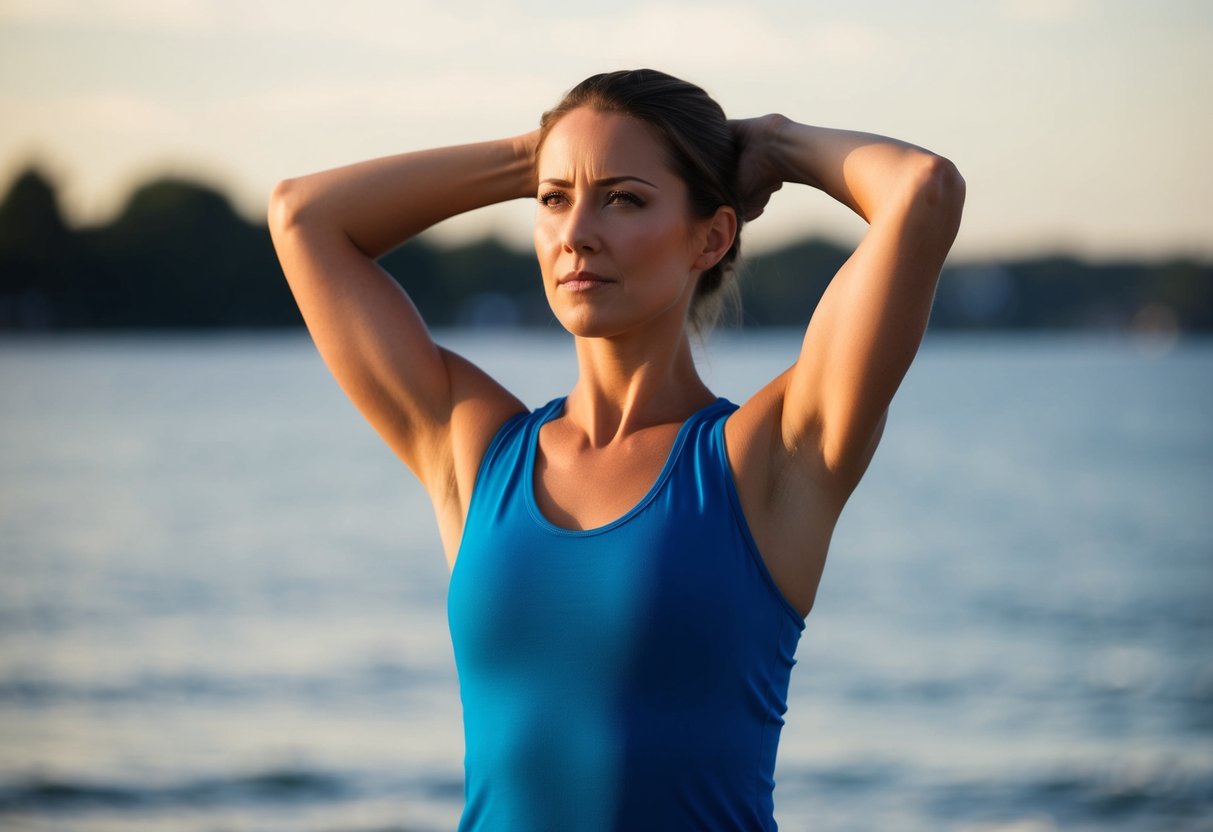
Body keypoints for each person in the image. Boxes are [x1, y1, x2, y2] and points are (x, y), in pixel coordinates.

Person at [268, 68, 964, 831]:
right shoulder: (472, 451)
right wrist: (537, 153)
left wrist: (771, 144)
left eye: (624, 199)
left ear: (712, 235)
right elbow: (303, 215)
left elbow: (920, 190)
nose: (575, 234)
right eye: (554, 200)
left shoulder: (770, 459)